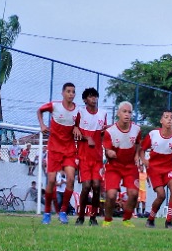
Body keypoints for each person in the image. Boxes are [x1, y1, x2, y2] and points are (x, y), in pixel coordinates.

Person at [36, 82, 80, 225]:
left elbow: (79, 126)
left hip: (69, 150)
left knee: (71, 179)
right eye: (68, 91)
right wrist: (42, 125)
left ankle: (63, 211)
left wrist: (77, 129)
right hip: (54, 149)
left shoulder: (77, 111)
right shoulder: (54, 106)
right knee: (51, 180)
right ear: (62, 93)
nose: (71, 94)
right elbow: (39, 110)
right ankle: (47, 212)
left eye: (73, 92)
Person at [139, 110, 172, 229]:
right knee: (161, 195)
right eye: (166, 117)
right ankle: (150, 219)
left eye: (171, 117)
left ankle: (169, 221)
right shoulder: (153, 134)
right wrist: (143, 160)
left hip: (168, 168)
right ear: (161, 121)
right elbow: (142, 149)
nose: (169, 119)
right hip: (154, 169)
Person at [101, 101, 142, 227]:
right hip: (114, 167)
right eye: (124, 111)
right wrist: (109, 153)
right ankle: (107, 220)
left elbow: (138, 144)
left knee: (134, 194)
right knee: (111, 195)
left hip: (130, 167)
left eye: (129, 112)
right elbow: (107, 149)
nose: (127, 114)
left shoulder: (137, 129)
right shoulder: (110, 131)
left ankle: (127, 219)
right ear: (118, 113)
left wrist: (137, 156)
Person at [72, 87, 108, 226]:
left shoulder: (103, 114)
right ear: (85, 100)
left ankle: (93, 218)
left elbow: (103, 135)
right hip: (84, 157)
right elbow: (73, 131)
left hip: (98, 158)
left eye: (95, 96)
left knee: (97, 187)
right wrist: (87, 138)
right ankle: (81, 217)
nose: (94, 99)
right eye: (91, 97)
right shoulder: (80, 113)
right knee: (86, 187)